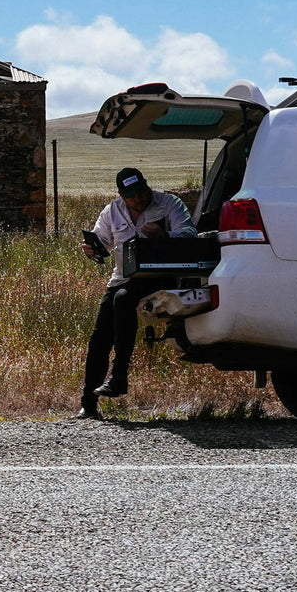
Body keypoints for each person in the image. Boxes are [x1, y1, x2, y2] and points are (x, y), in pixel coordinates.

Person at [75, 167, 196, 419]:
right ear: (121, 195)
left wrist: (164, 236)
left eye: (142, 192)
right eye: (132, 196)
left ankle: (119, 376)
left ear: (147, 186)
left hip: (158, 275)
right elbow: (102, 242)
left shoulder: (169, 203)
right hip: (122, 278)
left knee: (123, 299)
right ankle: (88, 404)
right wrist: (92, 249)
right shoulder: (112, 210)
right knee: (99, 338)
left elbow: (189, 235)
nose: (139, 199)